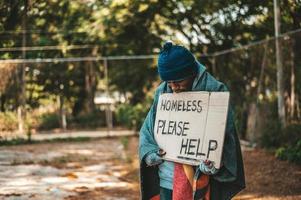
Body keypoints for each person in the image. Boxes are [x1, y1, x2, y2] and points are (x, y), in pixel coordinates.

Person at [139, 41, 245, 200]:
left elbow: (225, 137)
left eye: (178, 81)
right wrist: (149, 153)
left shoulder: (214, 91)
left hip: (201, 181)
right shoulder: (162, 92)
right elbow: (147, 129)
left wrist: (214, 162)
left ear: (191, 73)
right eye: (169, 82)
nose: (173, 87)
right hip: (166, 179)